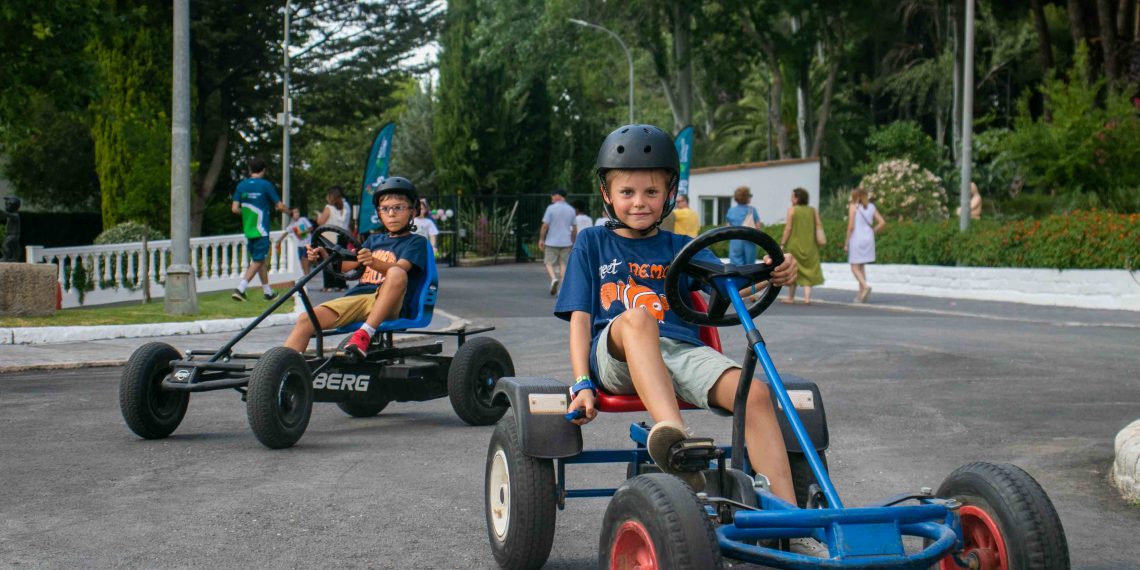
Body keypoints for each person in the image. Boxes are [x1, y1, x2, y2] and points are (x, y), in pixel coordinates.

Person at [555, 124, 820, 554]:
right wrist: (581, 384)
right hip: (617, 353)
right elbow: (580, 319)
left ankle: (789, 525)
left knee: (753, 393)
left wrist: (772, 273)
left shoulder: (685, 246)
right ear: (608, 194)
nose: (639, 202)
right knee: (638, 317)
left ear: (669, 194)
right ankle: (675, 441)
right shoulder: (592, 242)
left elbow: (732, 289)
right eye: (627, 192)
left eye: (650, 192)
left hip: (681, 352)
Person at [284, 177, 429, 358]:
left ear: (413, 211)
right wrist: (322, 253)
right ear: (379, 213)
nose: (391, 213)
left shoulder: (416, 242)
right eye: (385, 209)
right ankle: (282, 372)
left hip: (390, 302)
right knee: (306, 320)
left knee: (396, 273)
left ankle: (364, 334)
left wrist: (373, 261)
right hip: (360, 298)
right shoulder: (373, 241)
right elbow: (345, 267)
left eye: (398, 207)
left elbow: (399, 270)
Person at [231, 157, 287, 301]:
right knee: (258, 260)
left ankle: (268, 292)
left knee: (260, 260)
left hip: (249, 229)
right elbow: (280, 206)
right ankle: (241, 288)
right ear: (263, 170)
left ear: (250, 170)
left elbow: (235, 209)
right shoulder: (265, 185)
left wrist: (248, 214)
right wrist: (290, 212)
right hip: (261, 229)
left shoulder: (241, 186)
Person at [779, 188, 825, 304]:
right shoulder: (812, 210)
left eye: (792, 196)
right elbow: (818, 225)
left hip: (795, 245)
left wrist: (782, 243)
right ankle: (807, 298)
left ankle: (791, 297)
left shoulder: (792, 210)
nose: (791, 199)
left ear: (797, 198)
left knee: (793, 269)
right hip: (810, 245)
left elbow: (788, 229)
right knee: (809, 269)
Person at [844, 188, 887, 303]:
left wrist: (846, 242)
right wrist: (873, 230)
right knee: (861, 267)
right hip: (868, 238)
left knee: (854, 267)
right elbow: (882, 222)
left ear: (856, 197)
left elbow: (851, 227)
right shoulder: (871, 207)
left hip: (856, 238)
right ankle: (861, 295)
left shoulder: (853, 207)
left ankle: (865, 286)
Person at [539, 188, 576, 295]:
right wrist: (573, 240)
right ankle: (562, 289)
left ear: (557, 196)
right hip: (567, 242)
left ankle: (554, 279)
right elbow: (574, 228)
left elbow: (545, 226)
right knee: (563, 264)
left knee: (548, 263)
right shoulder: (571, 209)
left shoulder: (550, 208)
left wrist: (541, 239)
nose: (551, 198)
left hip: (551, 241)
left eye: (552, 196)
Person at [317, 185, 353, 292]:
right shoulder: (346, 206)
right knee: (340, 261)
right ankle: (341, 284)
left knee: (327, 261)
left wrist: (319, 216)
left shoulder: (329, 208)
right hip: (343, 235)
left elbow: (321, 222)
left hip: (330, 237)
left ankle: (328, 285)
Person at [724, 186, 762, 265]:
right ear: (747, 197)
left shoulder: (731, 210)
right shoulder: (752, 210)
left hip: (735, 241)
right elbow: (758, 227)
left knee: (736, 268)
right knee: (749, 268)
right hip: (749, 241)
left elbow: (727, 227)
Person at [277, 207, 315, 278]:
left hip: (307, 243)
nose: (297, 214)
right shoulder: (292, 224)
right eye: (295, 212)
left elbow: (311, 228)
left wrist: (303, 232)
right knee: (301, 260)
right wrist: (279, 240)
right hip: (299, 245)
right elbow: (286, 232)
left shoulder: (302, 220)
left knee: (305, 259)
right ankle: (305, 274)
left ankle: (307, 275)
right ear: (292, 214)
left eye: (297, 212)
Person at [1, 196, 21, 262]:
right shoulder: (11, 215)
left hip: (13, 235)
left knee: (5, 245)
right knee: (14, 248)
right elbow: (3, 217)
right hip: (11, 235)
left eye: (8, 204)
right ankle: (15, 258)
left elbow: (7, 214)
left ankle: (5, 257)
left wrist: (3, 212)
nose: (6, 206)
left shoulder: (15, 215)